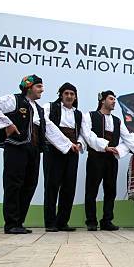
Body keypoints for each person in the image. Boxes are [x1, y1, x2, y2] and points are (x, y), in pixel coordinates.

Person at [0, 75, 75, 234]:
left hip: (33, 150)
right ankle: (11, 224)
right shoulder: (14, 100)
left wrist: (68, 144)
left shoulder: (39, 109)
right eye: (39, 86)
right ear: (28, 87)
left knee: (29, 185)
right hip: (16, 148)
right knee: (14, 185)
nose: (42, 89)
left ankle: (19, 222)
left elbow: (50, 129)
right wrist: (8, 124)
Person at [41, 82, 108, 232]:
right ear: (61, 95)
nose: (69, 96)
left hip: (72, 153)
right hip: (53, 151)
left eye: (72, 94)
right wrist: (65, 143)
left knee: (69, 187)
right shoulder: (50, 107)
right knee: (52, 186)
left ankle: (62, 222)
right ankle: (50, 222)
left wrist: (79, 144)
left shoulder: (78, 114)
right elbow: (47, 126)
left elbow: (84, 134)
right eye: (66, 93)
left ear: (75, 96)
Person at [84, 90, 134, 231]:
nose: (114, 102)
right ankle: (91, 221)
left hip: (111, 159)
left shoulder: (118, 121)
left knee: (111, 190)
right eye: (111, 99)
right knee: (91, 190)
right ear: (102, 101)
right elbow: (88, 135)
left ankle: (107, 220)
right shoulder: (90, 116)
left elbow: (129, 139)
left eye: (114, 99)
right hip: (95, 156)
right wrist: (105, 146)